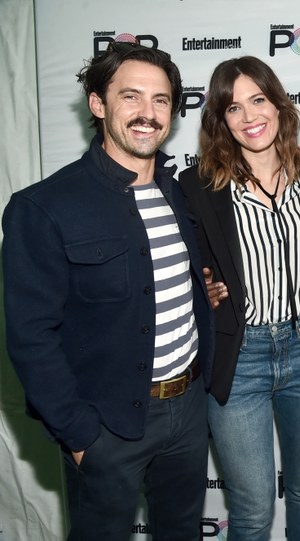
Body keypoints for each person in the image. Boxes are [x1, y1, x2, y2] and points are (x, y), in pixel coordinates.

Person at [2, 42, 213, 540]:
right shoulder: (44, 207)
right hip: (106, 424)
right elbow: (31, 336)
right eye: (131, 97)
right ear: (98, 103)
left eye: (161, 100)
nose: (148, 113)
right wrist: (79, 436)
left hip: (188, 409)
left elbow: (166, 282)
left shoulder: (177, 191)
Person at [178, 56, 300, 541]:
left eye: (258, 100)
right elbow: (181, 259)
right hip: (239, 354)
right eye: (233, 108)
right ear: (220, 121)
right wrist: (203, 284)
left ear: (278, 103)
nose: (249, 117)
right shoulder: (199, 186)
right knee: (251, 509)